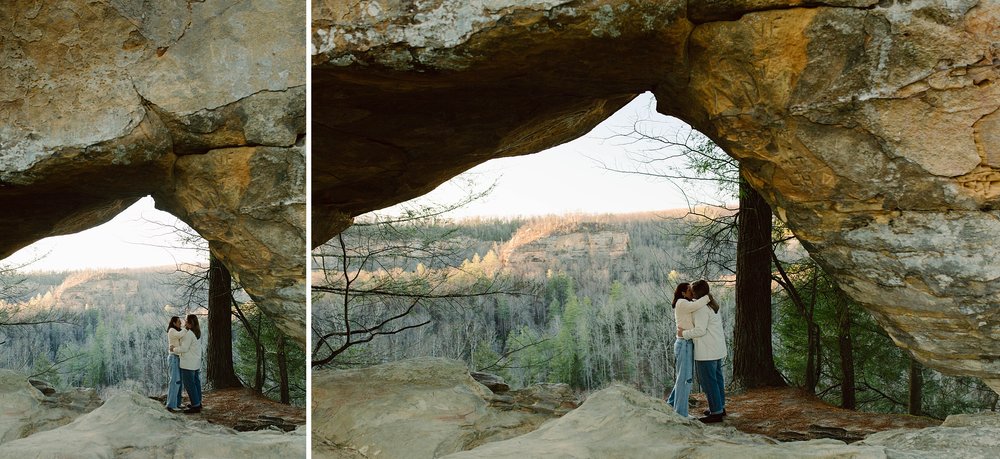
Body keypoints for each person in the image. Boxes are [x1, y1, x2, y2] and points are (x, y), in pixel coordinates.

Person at [679, 279, 727, 423]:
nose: (690, 292)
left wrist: (684, 334)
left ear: (697, 292)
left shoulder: (701, 308)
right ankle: (720, 407)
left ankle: (716, 412)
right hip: (716, 349)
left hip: (707, 351)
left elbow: (700, 330)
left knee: (709, 382)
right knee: (717, 380)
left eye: (692, 290)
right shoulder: (711, 304)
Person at [666, 282, 710, 418]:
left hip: (686, 343)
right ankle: (681, 413)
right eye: (690, 290)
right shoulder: (681, 303)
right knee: (685, 379)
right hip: (684, 344)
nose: (692, 293)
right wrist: (708, 296)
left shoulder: (684, 303)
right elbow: (697, 305)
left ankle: (672, 404)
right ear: (683, 293)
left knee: (682, 377)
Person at [175, 314, 203, 414]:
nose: (184, 322)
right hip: (195, 362)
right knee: (196, 383)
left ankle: (195, 406)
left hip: (188, 363)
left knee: (190, 385)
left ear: (190, 324)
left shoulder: (189, 334)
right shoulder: (197, 332)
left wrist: (174, 349)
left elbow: (184, 348)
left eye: (186, 321)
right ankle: (198, 403)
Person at [165, 316, 185, 412]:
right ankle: (171, 405)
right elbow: (180, 335)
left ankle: (177, 403)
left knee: (179, 382)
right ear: (173, 323)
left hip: (178, 358)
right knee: (174, 381)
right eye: (179, 322)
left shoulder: (176, 330)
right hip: (173, 358)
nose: (180, 324)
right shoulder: (172, 330)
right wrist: (188, 328)